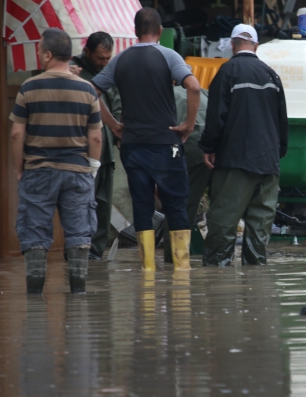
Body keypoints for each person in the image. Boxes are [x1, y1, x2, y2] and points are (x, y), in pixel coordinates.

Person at [91, 7, 201, 271]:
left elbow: (91, 91)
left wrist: (114, 125)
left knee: (142, 206)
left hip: (133, 146)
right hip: (165, 144)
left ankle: (148, 270)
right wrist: (188, 124)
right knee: (175, 205)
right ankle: (182, 271)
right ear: (160, 31)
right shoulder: (168, 55)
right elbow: (195, 86)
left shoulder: (120, 60)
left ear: (134, 31)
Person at [10, 28, 103, 294]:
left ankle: (35, 301)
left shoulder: (29, 87)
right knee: (79, 234)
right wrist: (92, 169)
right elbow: (95, 138)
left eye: (40, 51)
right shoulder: (87, 89)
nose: (39, 56)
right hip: (77, 171)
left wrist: (20, 169)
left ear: (48, 54)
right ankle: (78, 296)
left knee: (35, 234)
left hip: (38, 170)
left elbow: (17, 132)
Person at [198, 24, 288, 267]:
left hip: (235, 161)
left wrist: (209, 147)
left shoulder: (227, 72)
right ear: (256, 46)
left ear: (233, 44)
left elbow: (215, 118)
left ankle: (217, 282)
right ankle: (256, 284)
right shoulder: (272, 75)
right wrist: (276, 154)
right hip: (268, 164)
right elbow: (282, 121)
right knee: (260, 229)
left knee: (223, 222)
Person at [70, 32, 122, 261]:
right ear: (87, 52)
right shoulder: (72, 69)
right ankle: (77, 250)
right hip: (81, 150)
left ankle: (96, 253)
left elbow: (118, 103)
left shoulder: (109, 72)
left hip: (107, 150)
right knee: (81, 202)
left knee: (103, 203)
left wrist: (120, 132)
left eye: (107, 58)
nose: (104, 62)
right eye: (100, 58)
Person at [163, 86, 210, 262]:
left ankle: (174, 258)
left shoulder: (164, 94)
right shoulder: (203, 93)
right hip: (203, 153)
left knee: (178, 207)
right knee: (186, 206)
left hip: (179, 153)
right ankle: (181, 258)